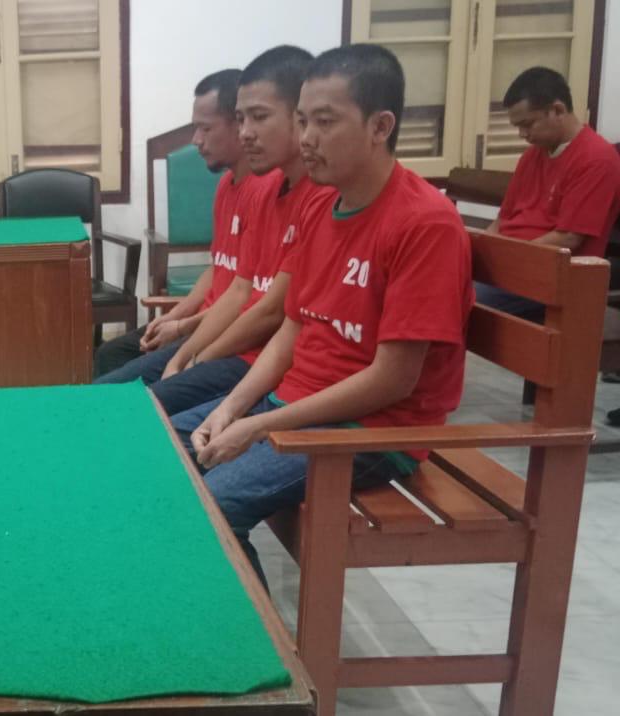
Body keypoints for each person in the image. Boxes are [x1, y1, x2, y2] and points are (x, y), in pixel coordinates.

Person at [169, 44, 474, 583]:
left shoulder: (425, 224)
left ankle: (255, 637)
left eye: (325, 122)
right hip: (295, 406)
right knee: (162, 448)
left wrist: (258, 425)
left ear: (380, 126)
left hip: (371, 431)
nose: (307, 137)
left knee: (213, 502)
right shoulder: (324, 207)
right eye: (303, 120)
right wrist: (233, 409)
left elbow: (393, 380)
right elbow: (293, 326)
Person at [146, 46, 336, 416]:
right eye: (240, 119)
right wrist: (185, 345)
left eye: (258, 117)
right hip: (239, 349)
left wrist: (193, 355)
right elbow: (235, 284)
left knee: (142, 416)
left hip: (257, 358)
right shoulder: (264, 190)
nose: (246, 133)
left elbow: (271, 313)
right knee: (117, 390)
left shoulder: (321, 198)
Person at [93, 69, 252, 380]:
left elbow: (243, 298)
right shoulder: (226, 184)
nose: (196, 140)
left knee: (116, 385)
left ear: (239, 124)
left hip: (220, 334)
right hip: (199, 324)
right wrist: (173, 316)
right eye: (195, 128)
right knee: (109, 354)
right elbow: (218, 267)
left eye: (206, 128)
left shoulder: (264, 191)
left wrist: (181, 329)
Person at [480, 66, 620, 320]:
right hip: (515, 267)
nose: (522, 134)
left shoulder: (597, 159)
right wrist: (481, 253)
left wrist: (505, 261)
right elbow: (501, 222)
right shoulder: (531, 156)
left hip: (554, 277)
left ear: (557, 110)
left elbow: (568, 239)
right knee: (435, 284)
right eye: (517, 127)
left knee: (457, 299)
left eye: (527, 124)